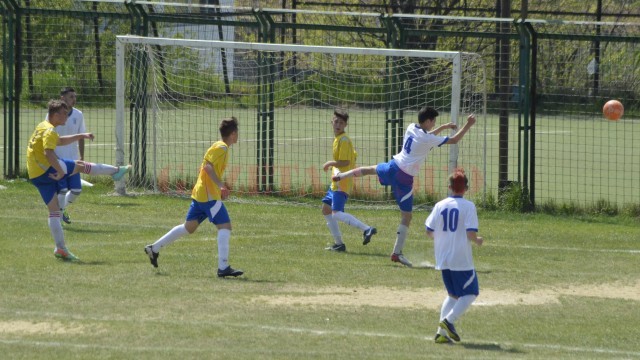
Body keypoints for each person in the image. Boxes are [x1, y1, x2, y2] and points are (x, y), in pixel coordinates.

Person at [332, 107, 476, 267]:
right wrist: (468, 124)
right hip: (404, 178)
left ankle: (341, 176)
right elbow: (454, 140)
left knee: (369, 169)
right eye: (433, 121)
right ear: (428, 121)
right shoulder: (427, 139)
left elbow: (427, 137)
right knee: (406, 216)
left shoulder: (412, 127)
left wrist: (442, 127)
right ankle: (396, 253)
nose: (434, 123)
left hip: (393, 166)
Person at [27, 99, 131, 261]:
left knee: (54, 212)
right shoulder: (49, 131)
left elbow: (59, 142)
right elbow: (49, 152)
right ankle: (115, 172)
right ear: (55, 115)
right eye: (64, 114)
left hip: (35, 173)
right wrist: (61, 171)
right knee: (81, 165)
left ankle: (60, 249)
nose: (67, 117)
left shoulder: (42, 126)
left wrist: (81, 135)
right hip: (46, 168)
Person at [144, 117, 244, 278]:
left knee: (188, 228)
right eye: (237, 133)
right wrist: (220, 185)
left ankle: (153, 249)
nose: (238, 136)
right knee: (225, 227)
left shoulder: (220, 146)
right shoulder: (222, 148)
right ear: (233, 134)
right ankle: (223, 267)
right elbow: (208, 167)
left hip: (201, 194)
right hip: (209, 196)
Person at [425, 168, 483, 344]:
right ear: (466, 188)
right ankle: (449, 321)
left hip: (443, 258)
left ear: (449, 187)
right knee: (471, 292)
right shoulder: (468, 206)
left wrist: (444, 238)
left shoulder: (439, 205)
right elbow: (470, 233)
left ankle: (440, 333)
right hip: (460, 258)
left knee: (453, 295)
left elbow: (429, 231)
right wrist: (478, 240)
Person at [321, 109, 377, 252]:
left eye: (341, 122)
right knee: (326, 209)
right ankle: (339, 244)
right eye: (336, 121)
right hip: (336, 181)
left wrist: (330, 163)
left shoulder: (344, 140)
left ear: (345, 125)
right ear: (331, 122)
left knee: (336, 213)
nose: (338, 124)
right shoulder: (339, 139)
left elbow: (345, 161)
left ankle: (367, 229)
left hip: (342, 182)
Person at [53, 87, 86, 224]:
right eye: (71, 96)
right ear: (62, 98)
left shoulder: (78, 115)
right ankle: (57, 217)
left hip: (72, 160)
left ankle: (60, 210)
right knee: (62, 190)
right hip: (57, 159)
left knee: (77, 190)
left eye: (74, 96)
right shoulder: (53, 114)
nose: (74, 99)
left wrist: (81, 157)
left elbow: (81, 136)